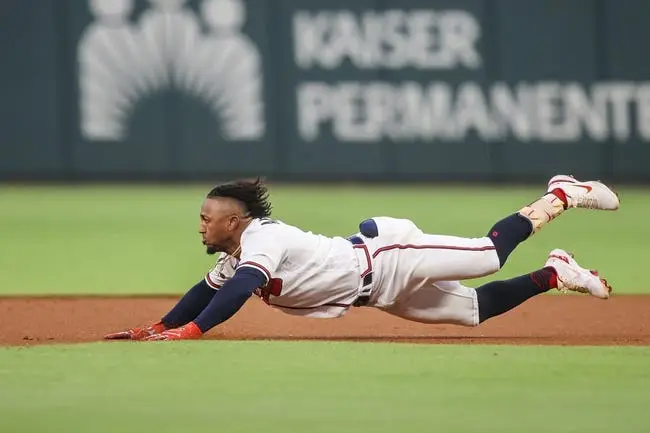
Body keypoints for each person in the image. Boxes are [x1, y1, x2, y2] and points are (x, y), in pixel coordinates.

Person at [104, 175, 619, 341]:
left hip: (387, 257)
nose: (201, 224)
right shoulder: (237, 253)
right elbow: (207, 290)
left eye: (206, 217)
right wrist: (158, 326)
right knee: (472, 312)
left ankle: (560, 195)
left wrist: (193, 333)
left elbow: (238, 291)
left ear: (234, 221)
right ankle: (554, 272)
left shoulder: (262, 239)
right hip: (377, 294)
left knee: (486, 256)